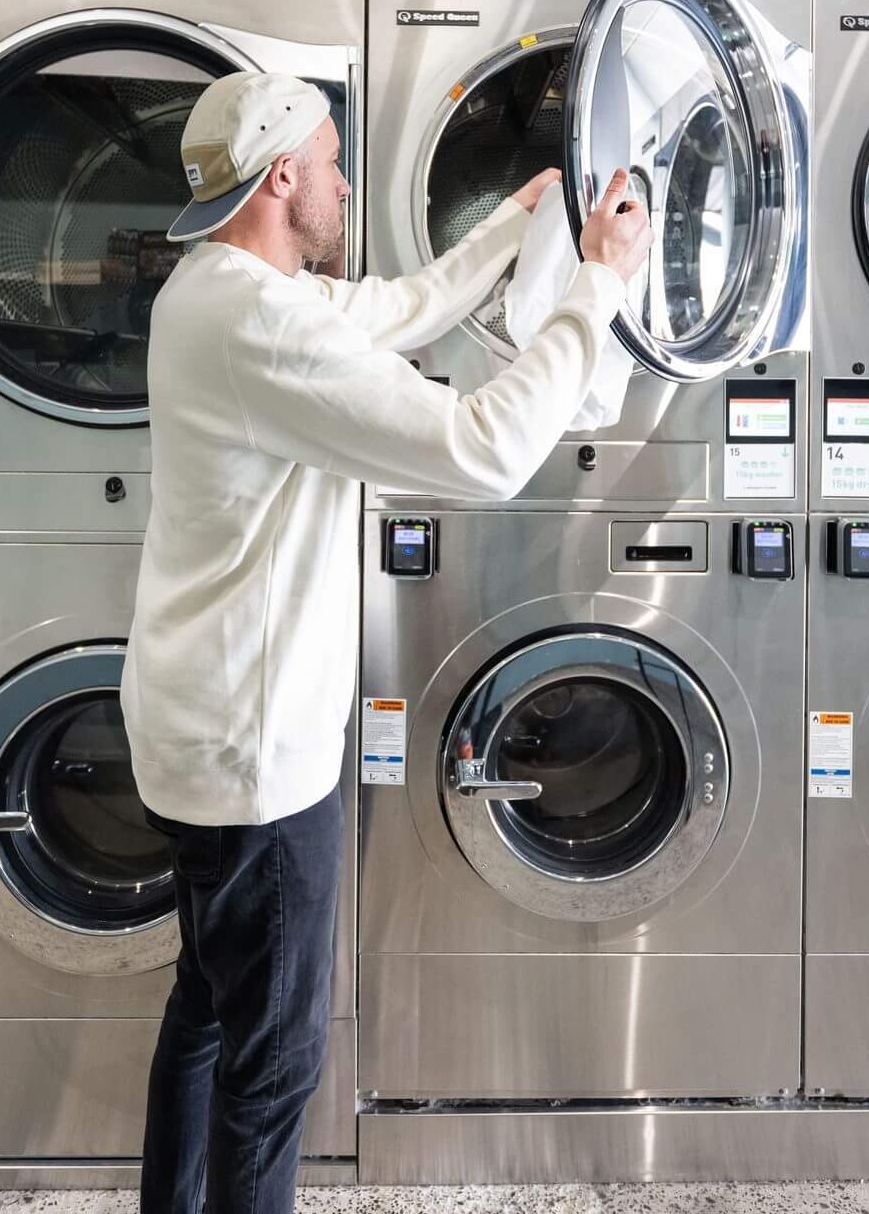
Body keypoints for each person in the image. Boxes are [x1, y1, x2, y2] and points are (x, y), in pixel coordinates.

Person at [122, 70, 650, 1213]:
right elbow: (481, 452)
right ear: (280, 179)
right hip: (257, 764)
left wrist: (518, 219)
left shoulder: (215, 286)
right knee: (273, 1065)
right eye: (330, 160)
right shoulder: (263, 324)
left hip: (197, 731)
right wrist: (594, 290)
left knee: (207, 1013)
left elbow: (397, 307)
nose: (348, 179)